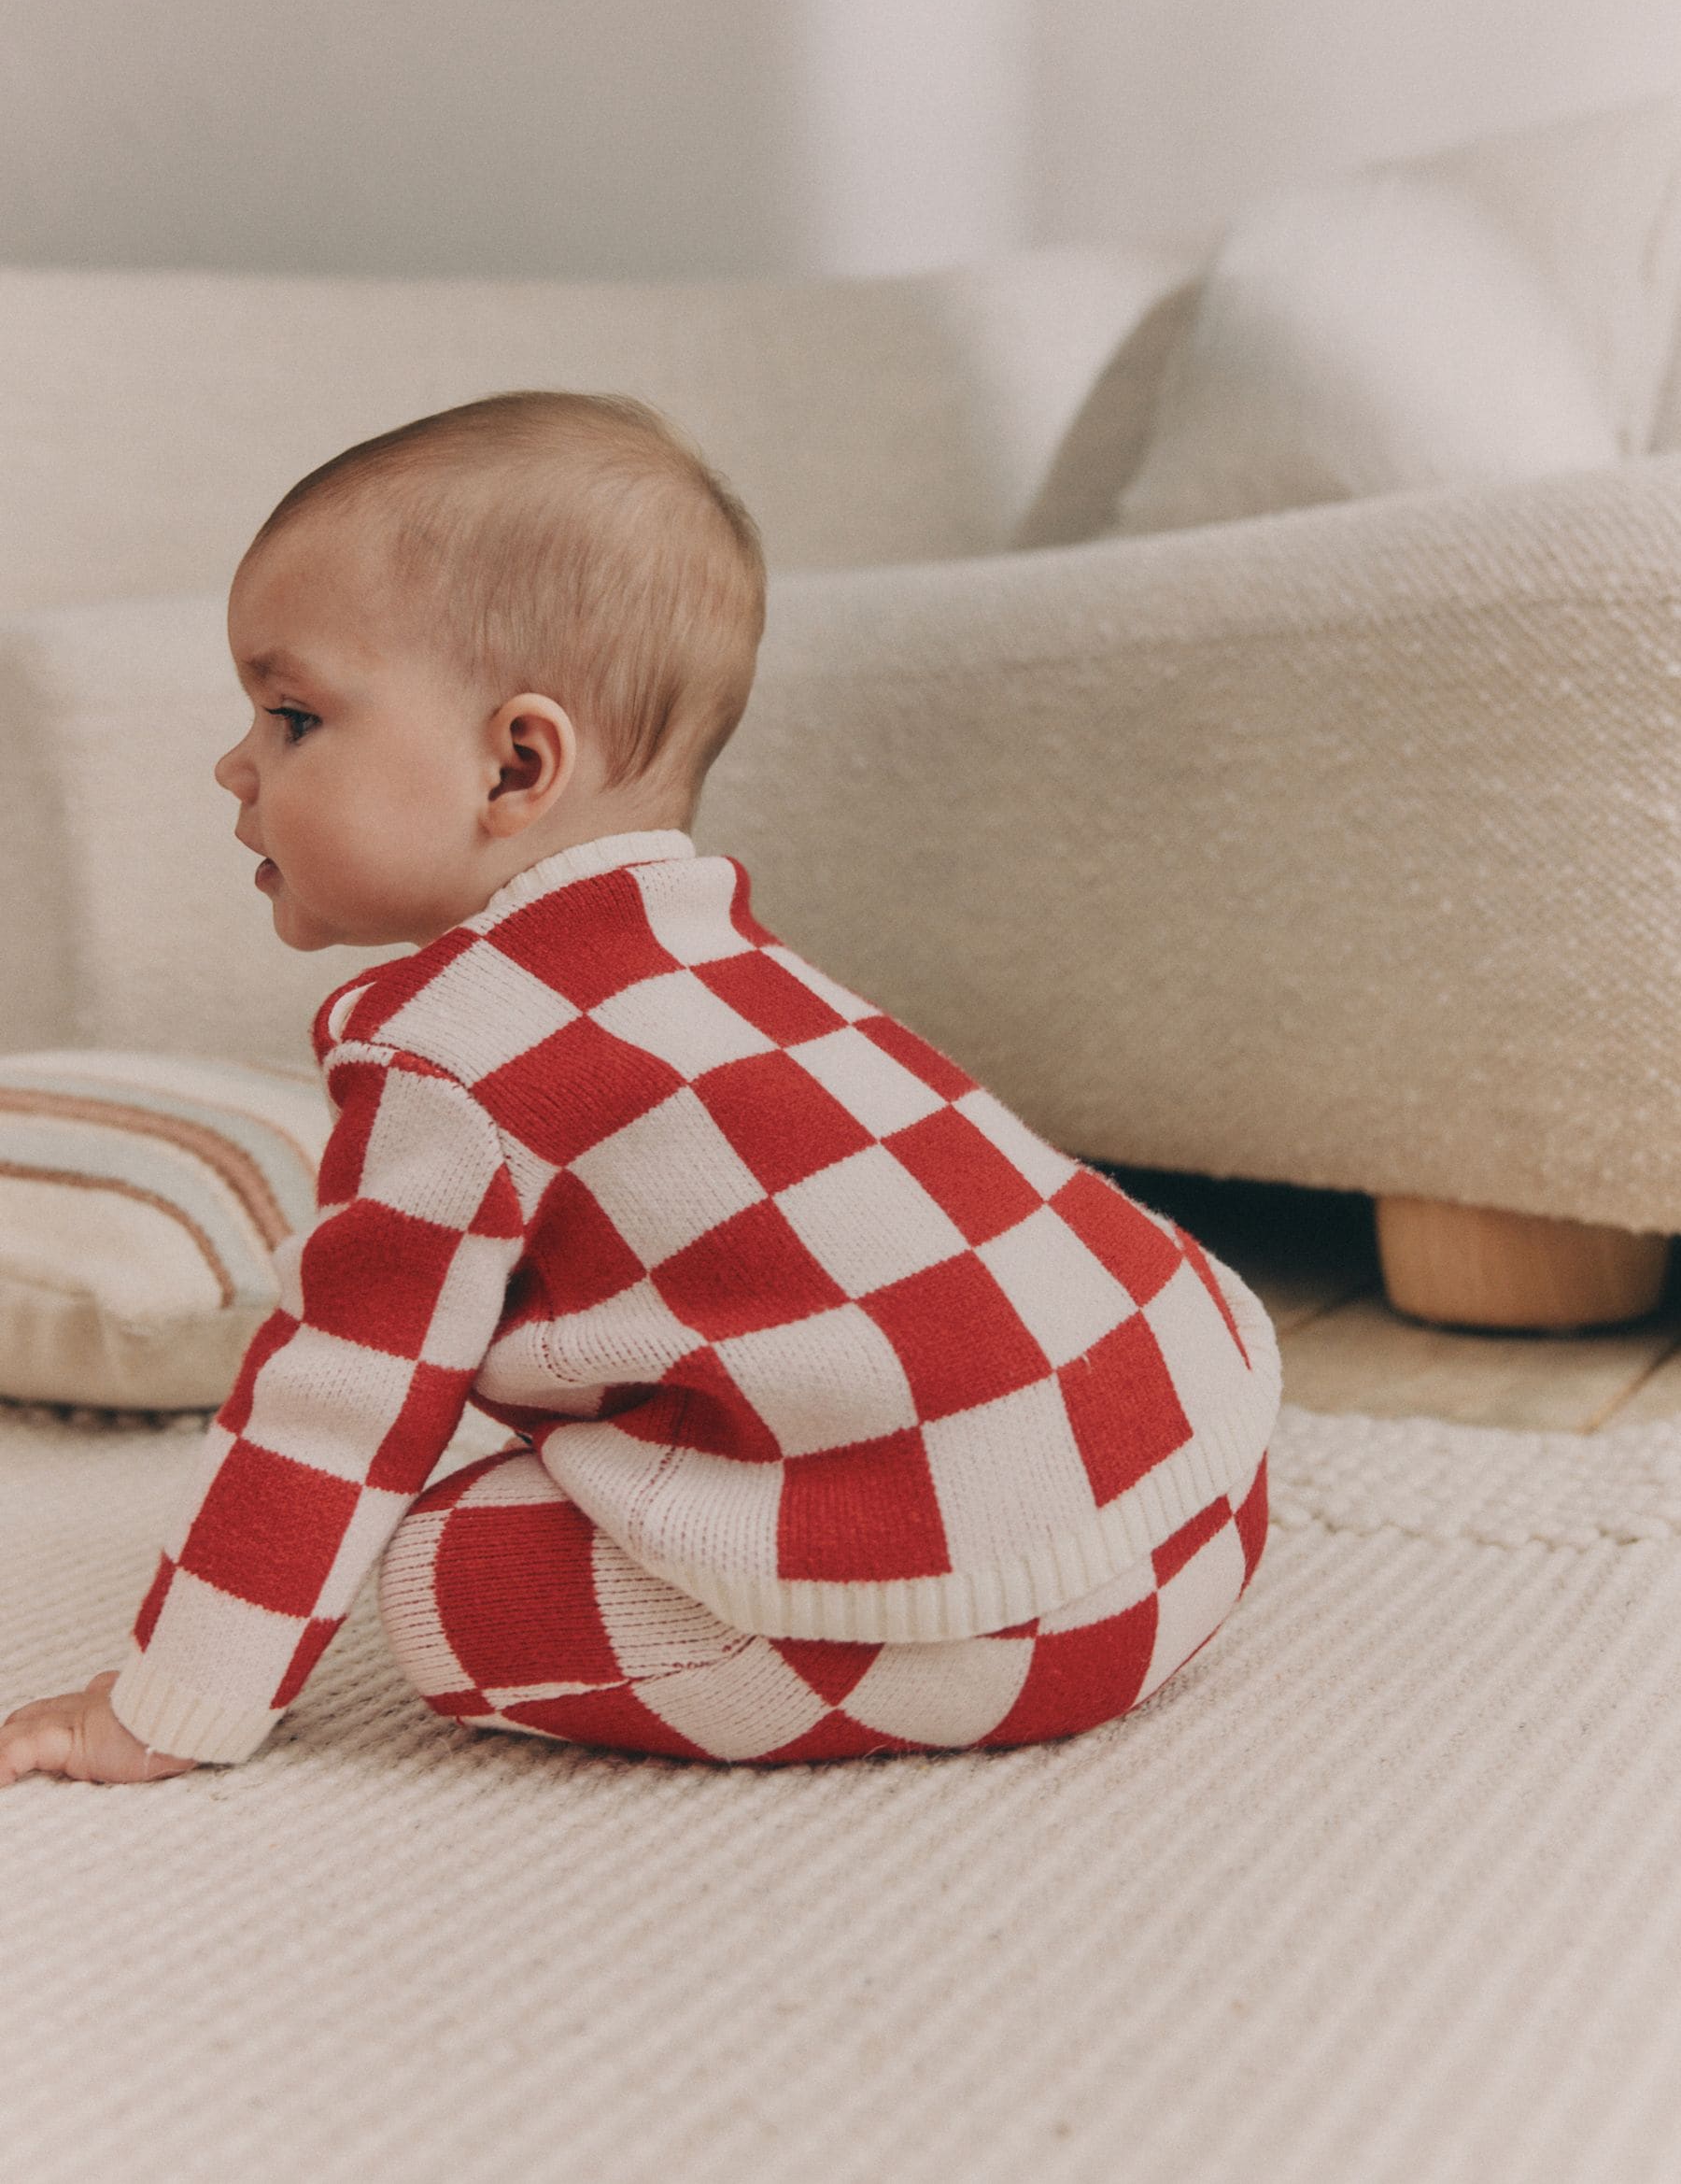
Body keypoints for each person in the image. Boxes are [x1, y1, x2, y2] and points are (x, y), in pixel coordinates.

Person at [0, 390, 1279, 1784]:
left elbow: (334, 1412)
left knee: (442, 1582)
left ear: (517, 764)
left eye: (292, 714)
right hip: (1202, 1502)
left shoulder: (450, 1055)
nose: (235, 764)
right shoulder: (711, 952)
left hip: (1010, 1622)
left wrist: (167, 1704)